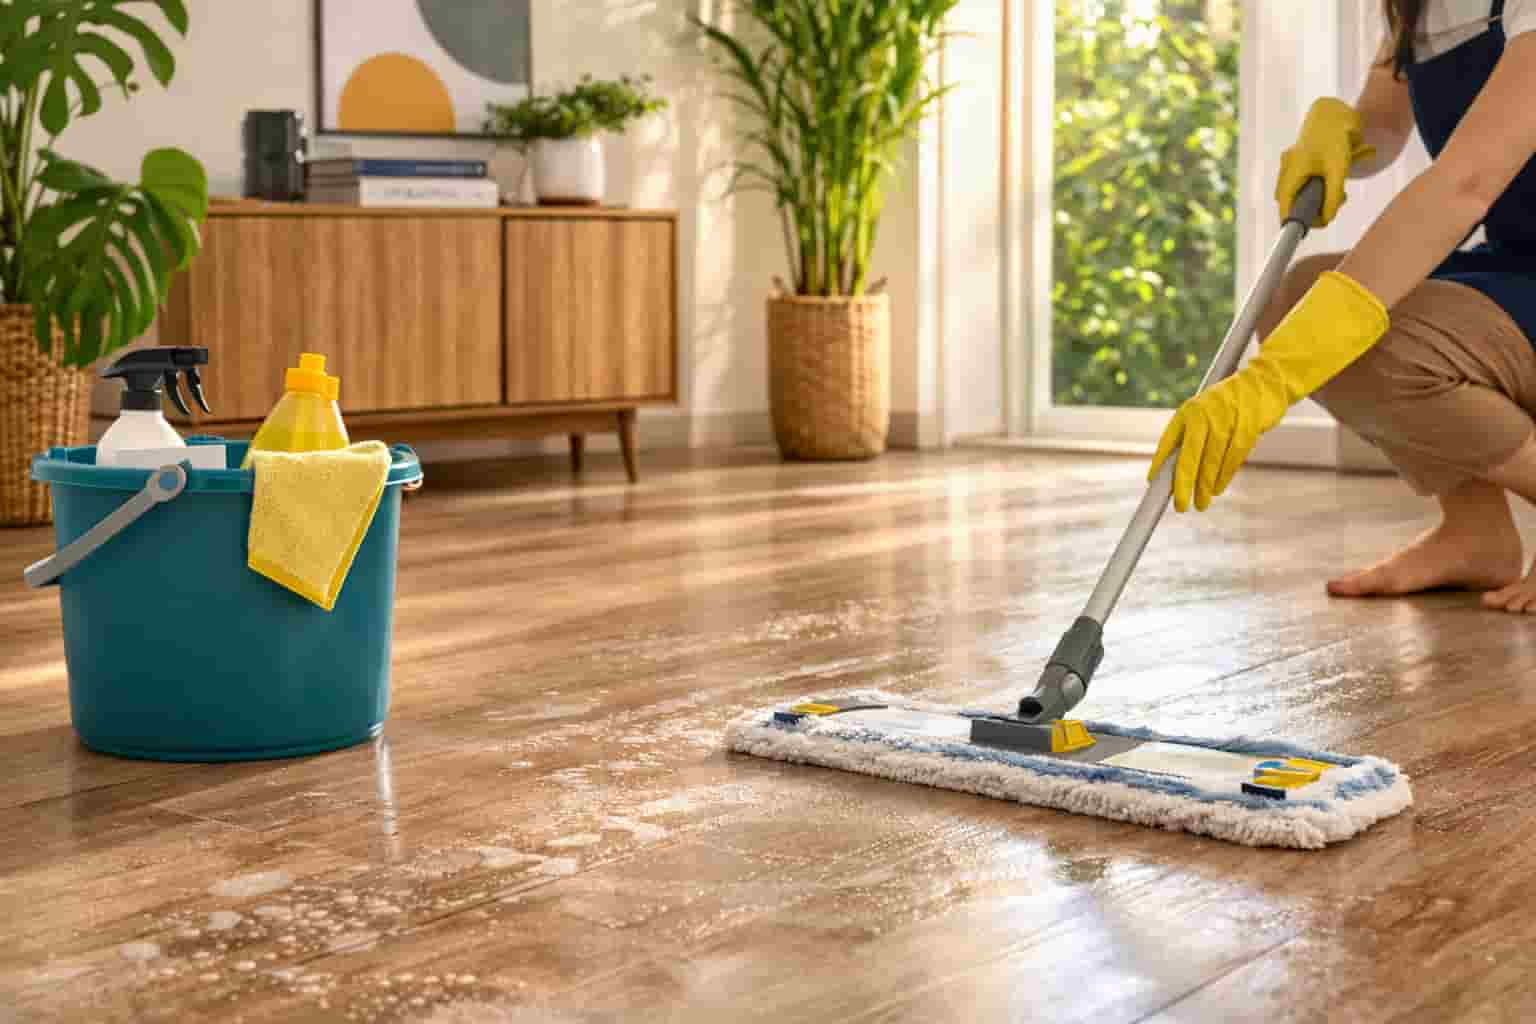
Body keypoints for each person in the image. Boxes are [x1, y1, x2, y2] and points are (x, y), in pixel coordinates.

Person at [1148, 0, 1536, 613]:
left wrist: (1275, 378)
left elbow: (1467, 179)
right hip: (1516, 263)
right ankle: (1475, 533)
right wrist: (1340, 132)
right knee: (1299, 294)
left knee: (1362, 336)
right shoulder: (1417, 7)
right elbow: (1383, 126)